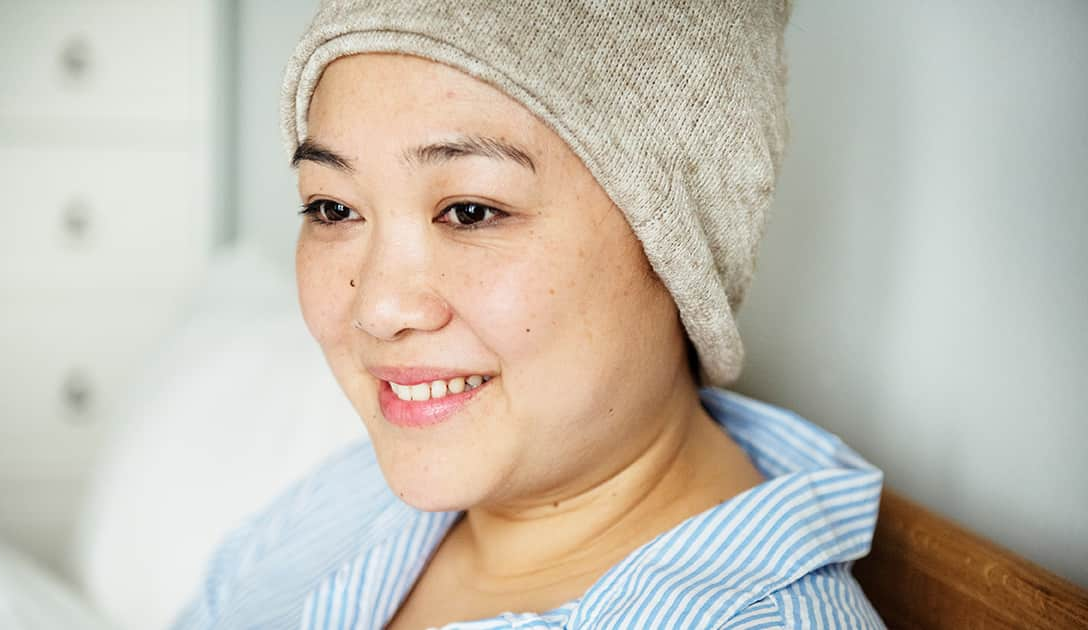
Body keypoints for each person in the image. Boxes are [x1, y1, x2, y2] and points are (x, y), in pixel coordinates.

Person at [175, 1, 886, 628]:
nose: (378, 309)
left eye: (471, 210)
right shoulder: (345, 500)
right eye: (333, 208)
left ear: (680, 250)